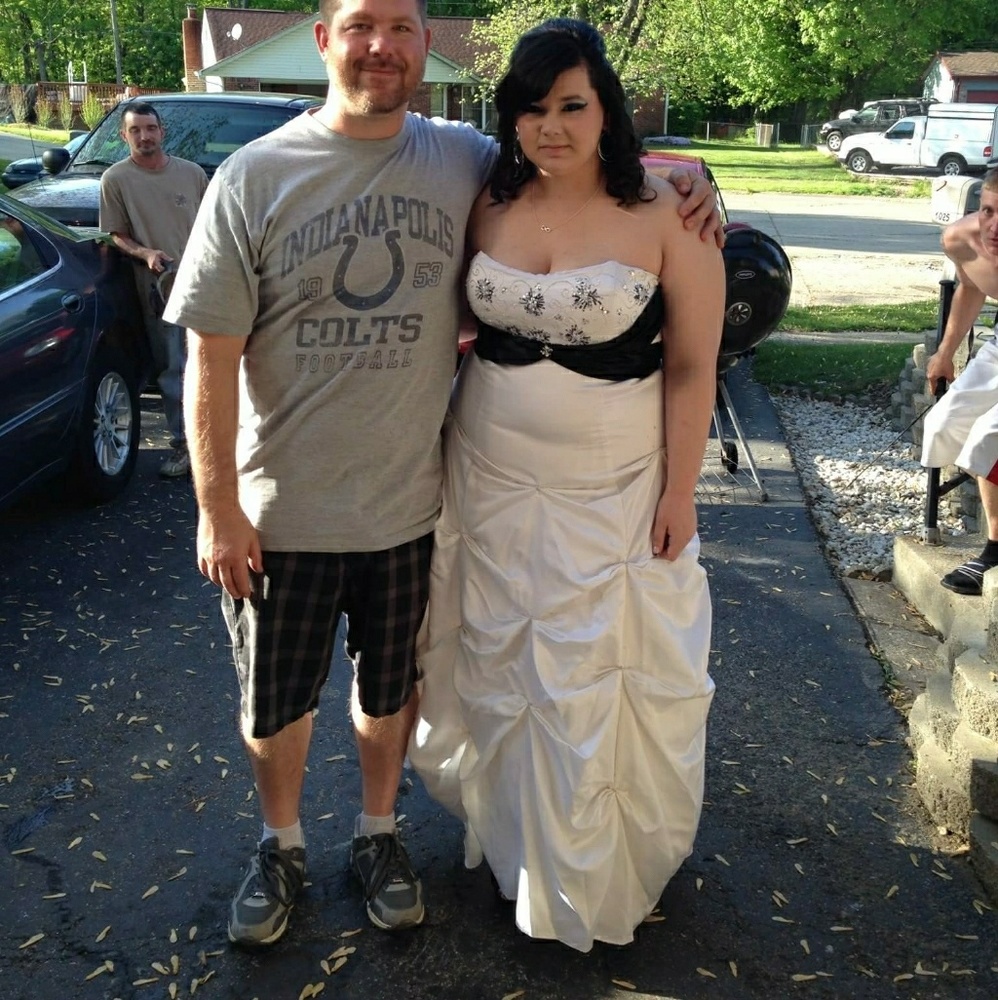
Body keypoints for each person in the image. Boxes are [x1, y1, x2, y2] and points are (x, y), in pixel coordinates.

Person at [163, 0, 722, 948]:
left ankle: (383, 837)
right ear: (325, 38)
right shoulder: (265, 175)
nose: (380, 45)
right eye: (359, 25)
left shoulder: (457, 158)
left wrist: (692, 168)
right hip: (314, 496)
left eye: (400, 26)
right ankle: (281, 845)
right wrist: (216, 505)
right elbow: (208, 357)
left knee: (401, 686)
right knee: (280, 694)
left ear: (424, 46)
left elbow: (594, 181)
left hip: (428, 496)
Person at [408, 18, 725, 952]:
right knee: (502, 666)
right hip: (488, 476)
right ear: (509, 117)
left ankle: (590, 875)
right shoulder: (485, 198)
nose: (552, 126)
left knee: (593, 674)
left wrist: (679, 492)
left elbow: (693, 367)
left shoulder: (667, 211)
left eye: (573, 105)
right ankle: (517, 850)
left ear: (606, 110)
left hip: (616, 489)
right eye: (533, 107)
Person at [99, 102, 207, 478]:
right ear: (124, 136)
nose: (144, 136)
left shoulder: (192, 174)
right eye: (135, 130)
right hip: (159, 287)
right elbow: (115, 235)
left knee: (217, 363)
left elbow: (214, 226)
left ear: (162, 132)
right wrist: (145, 253)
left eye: (150, 128)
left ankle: (222, 444)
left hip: (205, 283)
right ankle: (183, 446)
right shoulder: (116, 180)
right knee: (173, 370)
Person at [921, 167, 998, 595]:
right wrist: (945, 353)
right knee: (946, 421)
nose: (995, 226)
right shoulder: (959, 239)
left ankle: (994, 549)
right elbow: (970, 288)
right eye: (988, 211)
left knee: (990, 435)